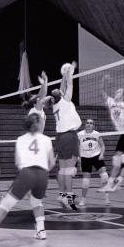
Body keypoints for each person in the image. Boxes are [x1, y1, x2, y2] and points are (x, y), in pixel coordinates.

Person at [0, 113, 56, 242]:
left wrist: (26, 181)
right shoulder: (47, 139)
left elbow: (17, 162)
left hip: (27, 173)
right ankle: (41, 231)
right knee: (37, 202)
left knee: (6, 203)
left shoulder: (20, 139)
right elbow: (52, 163)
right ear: (39, 124)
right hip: (43, 174)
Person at [50, 62, 82, 210]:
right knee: (69, 171)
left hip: (60, 138)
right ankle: (69, 198)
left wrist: (64, 75)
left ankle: (62, 195)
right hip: (69, 136)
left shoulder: (56, 105)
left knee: (62, 170)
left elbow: (63, 88)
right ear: (61, 96)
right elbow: (69, 85)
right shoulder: (66, 102)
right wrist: (71, 71)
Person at [77, 119, 110, 206]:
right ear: (85, 125)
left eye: (91, 123)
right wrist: (79, 160)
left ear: (94, 126)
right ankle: (83, 200)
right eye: (87, 123)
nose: (89, 124)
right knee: (85, 181)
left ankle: (107, 199)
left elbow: (102, 145)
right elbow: (77, 148)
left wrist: (102, 154)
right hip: (85, 157)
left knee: (104, 176)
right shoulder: (79, 134)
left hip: (97, 156)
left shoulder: (97, 133)